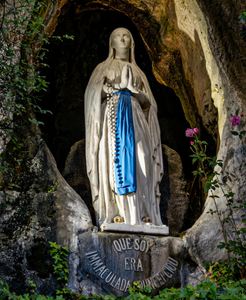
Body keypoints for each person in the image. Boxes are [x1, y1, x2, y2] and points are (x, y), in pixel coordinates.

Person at [84, 28, 164, 230]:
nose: (122, 38)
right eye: (118, 36)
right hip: (112, 119)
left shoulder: (138, 72)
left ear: (132, 43)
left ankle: (145, 214)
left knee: (142, 160)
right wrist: (112, 89)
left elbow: (149, 105)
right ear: (111, 43)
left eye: (126, 35)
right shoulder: (103, 67)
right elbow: (91, 94)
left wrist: (134, 91)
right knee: (114, 163)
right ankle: (118, 213)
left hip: (136, 120)